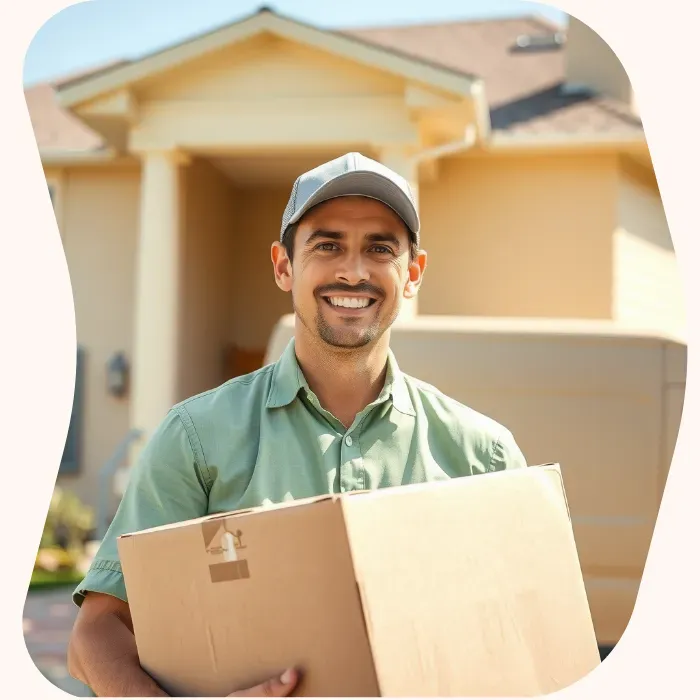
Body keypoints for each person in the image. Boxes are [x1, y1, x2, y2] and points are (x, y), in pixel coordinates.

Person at [67, 152, 527, 697]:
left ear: (413, 273)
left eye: (380, 248)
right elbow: (96, 635)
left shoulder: (484, 458)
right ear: (284, 266)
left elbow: (522, 639)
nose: (353, 271)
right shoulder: (196, 437)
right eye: (327, 245)